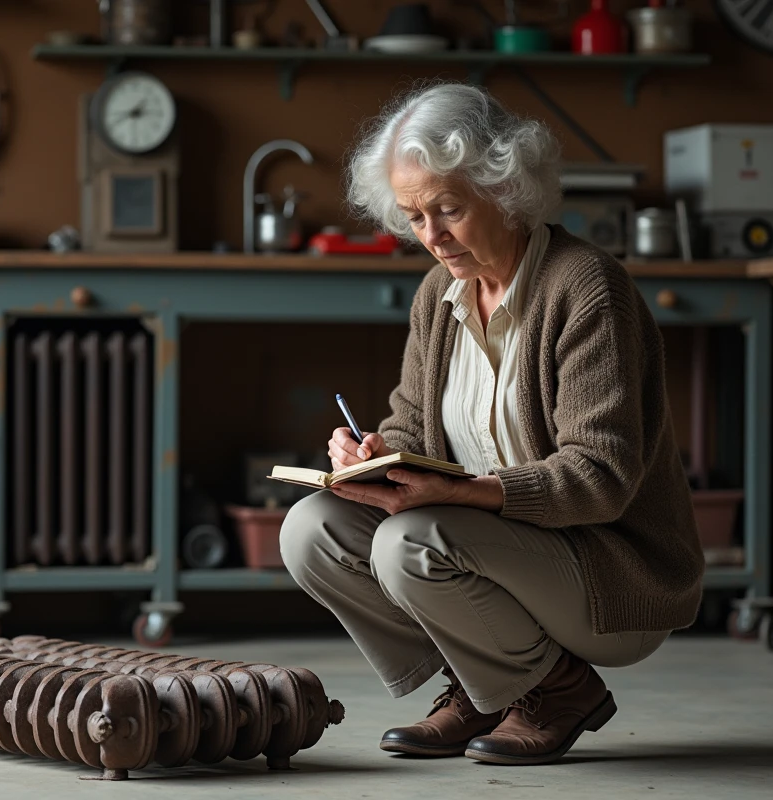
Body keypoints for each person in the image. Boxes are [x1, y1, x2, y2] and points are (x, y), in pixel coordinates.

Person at [279, 83, 702, 766]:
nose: (432, 235)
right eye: (415, 216)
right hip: (496, 551)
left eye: (448, 208)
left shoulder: (586, 287)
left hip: (610, 573)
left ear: (506, 188)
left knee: (411, 540)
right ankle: (484, 685)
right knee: (311, 530)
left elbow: (601, 478)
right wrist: (374, 453)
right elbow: (413, 426)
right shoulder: (438, 294)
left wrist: (458, 492)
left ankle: (558, 689)